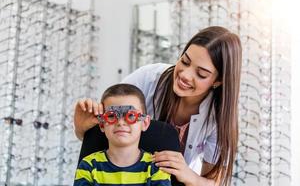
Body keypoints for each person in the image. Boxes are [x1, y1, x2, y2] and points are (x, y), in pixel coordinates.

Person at [74, 26, 242, 186]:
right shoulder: (148, 79)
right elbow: (104, 130)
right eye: (184, 61)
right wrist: (82, 127)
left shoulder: (220, 117)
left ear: (218, 81)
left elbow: (214, 181)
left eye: (201, 74)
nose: (185, 75)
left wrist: (189, 175)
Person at [74, 83, 171, 186]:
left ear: (145, 123)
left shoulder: (156, 168)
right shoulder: (88, 166)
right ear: (102, 124)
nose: (120, 122)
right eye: (111, 116)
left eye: (131, 115)